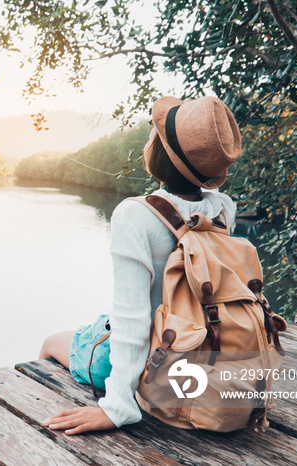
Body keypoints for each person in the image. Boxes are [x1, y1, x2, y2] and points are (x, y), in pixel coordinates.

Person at [39, 95, 241, 434]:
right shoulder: (223, 209)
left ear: (159, 153)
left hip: (156, 362)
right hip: (204, 349)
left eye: (154, 136)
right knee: (99, 325)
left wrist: (117, 408)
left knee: (50, 342)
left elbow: (132, 321)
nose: (149, 140)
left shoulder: (135, 215)